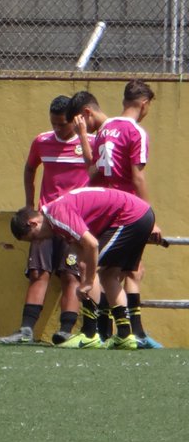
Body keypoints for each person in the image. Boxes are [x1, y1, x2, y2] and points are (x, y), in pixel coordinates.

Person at [11, 186, 160, 350]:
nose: (38, 242)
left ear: (33, 223)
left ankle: (89, 334)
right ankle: (124, 335)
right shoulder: (56, 217)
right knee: (109, 275)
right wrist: (76, 260)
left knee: (92, 269)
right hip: (141, 214)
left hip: (131, 216)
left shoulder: (56, 214)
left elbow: (92, 244)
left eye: (34, 237)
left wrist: (88, 281)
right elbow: (78, 246)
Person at [69, 82, 160, 348]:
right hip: (126, 210)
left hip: (105, 208)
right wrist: (150, 217)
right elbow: (137, 175)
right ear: (144, 104)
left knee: (118, 269)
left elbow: (93, 172)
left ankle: (114, 331)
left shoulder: (106, 128)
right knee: (106, 269)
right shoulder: (135, 131)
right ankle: (97, 331)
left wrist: (84, 136)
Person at [0, 96, 87, 345]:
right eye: (54, 124)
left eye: (63, 125)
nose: (58, 129)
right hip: (45, 220)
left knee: (71, 275)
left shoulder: (88, 143)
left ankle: (66, 331)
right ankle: (26, 330)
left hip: (75, 223)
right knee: (38, 272)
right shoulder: (42, 141)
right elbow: (29, 168)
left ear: (75, 120)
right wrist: (29, 204)